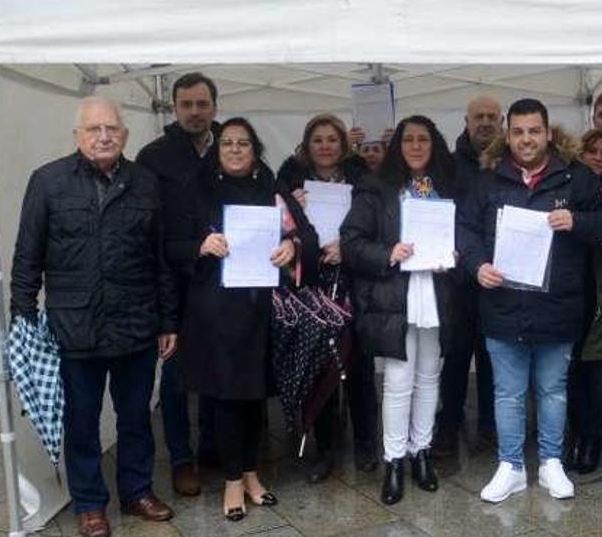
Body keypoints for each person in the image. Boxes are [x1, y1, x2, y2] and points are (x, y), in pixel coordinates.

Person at [10, 97, 178, 537]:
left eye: (112, 129)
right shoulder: (47, 182)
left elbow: (160, 258)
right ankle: (89, 504)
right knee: (81, 421)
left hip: (136, 324)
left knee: (136, 416)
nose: (104, 136)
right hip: (73, 326)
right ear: (77, 136)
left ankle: (137, 491)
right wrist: (24, 319)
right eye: (93, 129)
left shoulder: (146, 183)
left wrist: (168, 320)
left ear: (125, 134)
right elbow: (27, 256)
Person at [457, 98, 602, 503]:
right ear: (507, 135)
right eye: (518, 132)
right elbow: (466, 230)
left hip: (558, 304)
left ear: (548, 133)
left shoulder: (575, 177)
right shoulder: (489, 179)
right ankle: (510, 466)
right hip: (502, 304)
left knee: (553, 390)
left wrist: (577, 221)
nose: (526, 139)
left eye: (534, 131)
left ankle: (550, 463)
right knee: (507, 393)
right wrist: (477, 266)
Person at [177, 117, 315, 521]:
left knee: (253, 397)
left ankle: (252, 474)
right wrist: (201, 245)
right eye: (227, 143)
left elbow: (305, 234)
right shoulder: (197, 191)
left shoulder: (270, 190)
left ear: (254, 150)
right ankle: (232, 479)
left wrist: (291, 246)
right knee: (223, 399)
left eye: (243, 143)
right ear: (216, 150)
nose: (235, 149)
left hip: (260, 312)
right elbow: (169, 244)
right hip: (214, 315)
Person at [342, 116, 462, 504]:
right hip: (396, 294)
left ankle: (420, 452)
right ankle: (393, 460)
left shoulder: (447, 187)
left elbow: (464, 235)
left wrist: (455, 254)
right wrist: (387, 253)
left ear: (434, 144)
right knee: (397, 381)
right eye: (408, 139)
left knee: (430, 377)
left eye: (422, 139)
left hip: (437, 292)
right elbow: (351, 240)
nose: (414, 146)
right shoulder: (375, 186)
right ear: (398, 146)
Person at [277, 114, 380, 480]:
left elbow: (376, 228)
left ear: (344, 144)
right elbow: (276, 232)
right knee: (320, 367)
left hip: (353, 282)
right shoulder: (289, 180)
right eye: (317, 139)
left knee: (359, 365)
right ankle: (326, 449)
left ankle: (367, 443)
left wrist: (348, 249)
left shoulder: (364, 180)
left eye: (332, 139)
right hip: (312, 285)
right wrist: (290, 211)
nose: (325, 146)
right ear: (307, 144)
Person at [135, 71, 220, 497]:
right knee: (173, 379)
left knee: (217, 371)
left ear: (214, 107)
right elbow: (148, 229)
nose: (194, 112)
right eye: (186, 104)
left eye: (202, 104)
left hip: (224, 282)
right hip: (173, 281)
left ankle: (210, 449)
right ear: (173, 107)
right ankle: (181, 460)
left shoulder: (233, 145)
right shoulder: (154, 157)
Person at [434, 95, 501, 456]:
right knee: (456, 355)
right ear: (466, 120)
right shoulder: (448, 164)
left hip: (499, 275)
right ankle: (449, 423)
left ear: (502, 121)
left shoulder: (509, 160)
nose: (486, 122)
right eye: (480, 117)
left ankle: (490, 425)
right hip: (458, 277)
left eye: (493, 116)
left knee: (494, 356)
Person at [563, 128, 602, 474]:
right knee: (572, 371)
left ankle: (592, 438)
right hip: (575, 290)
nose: (599, 157)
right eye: (593, 151)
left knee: (597, 370)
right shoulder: (571, 188)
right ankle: (576, 434)